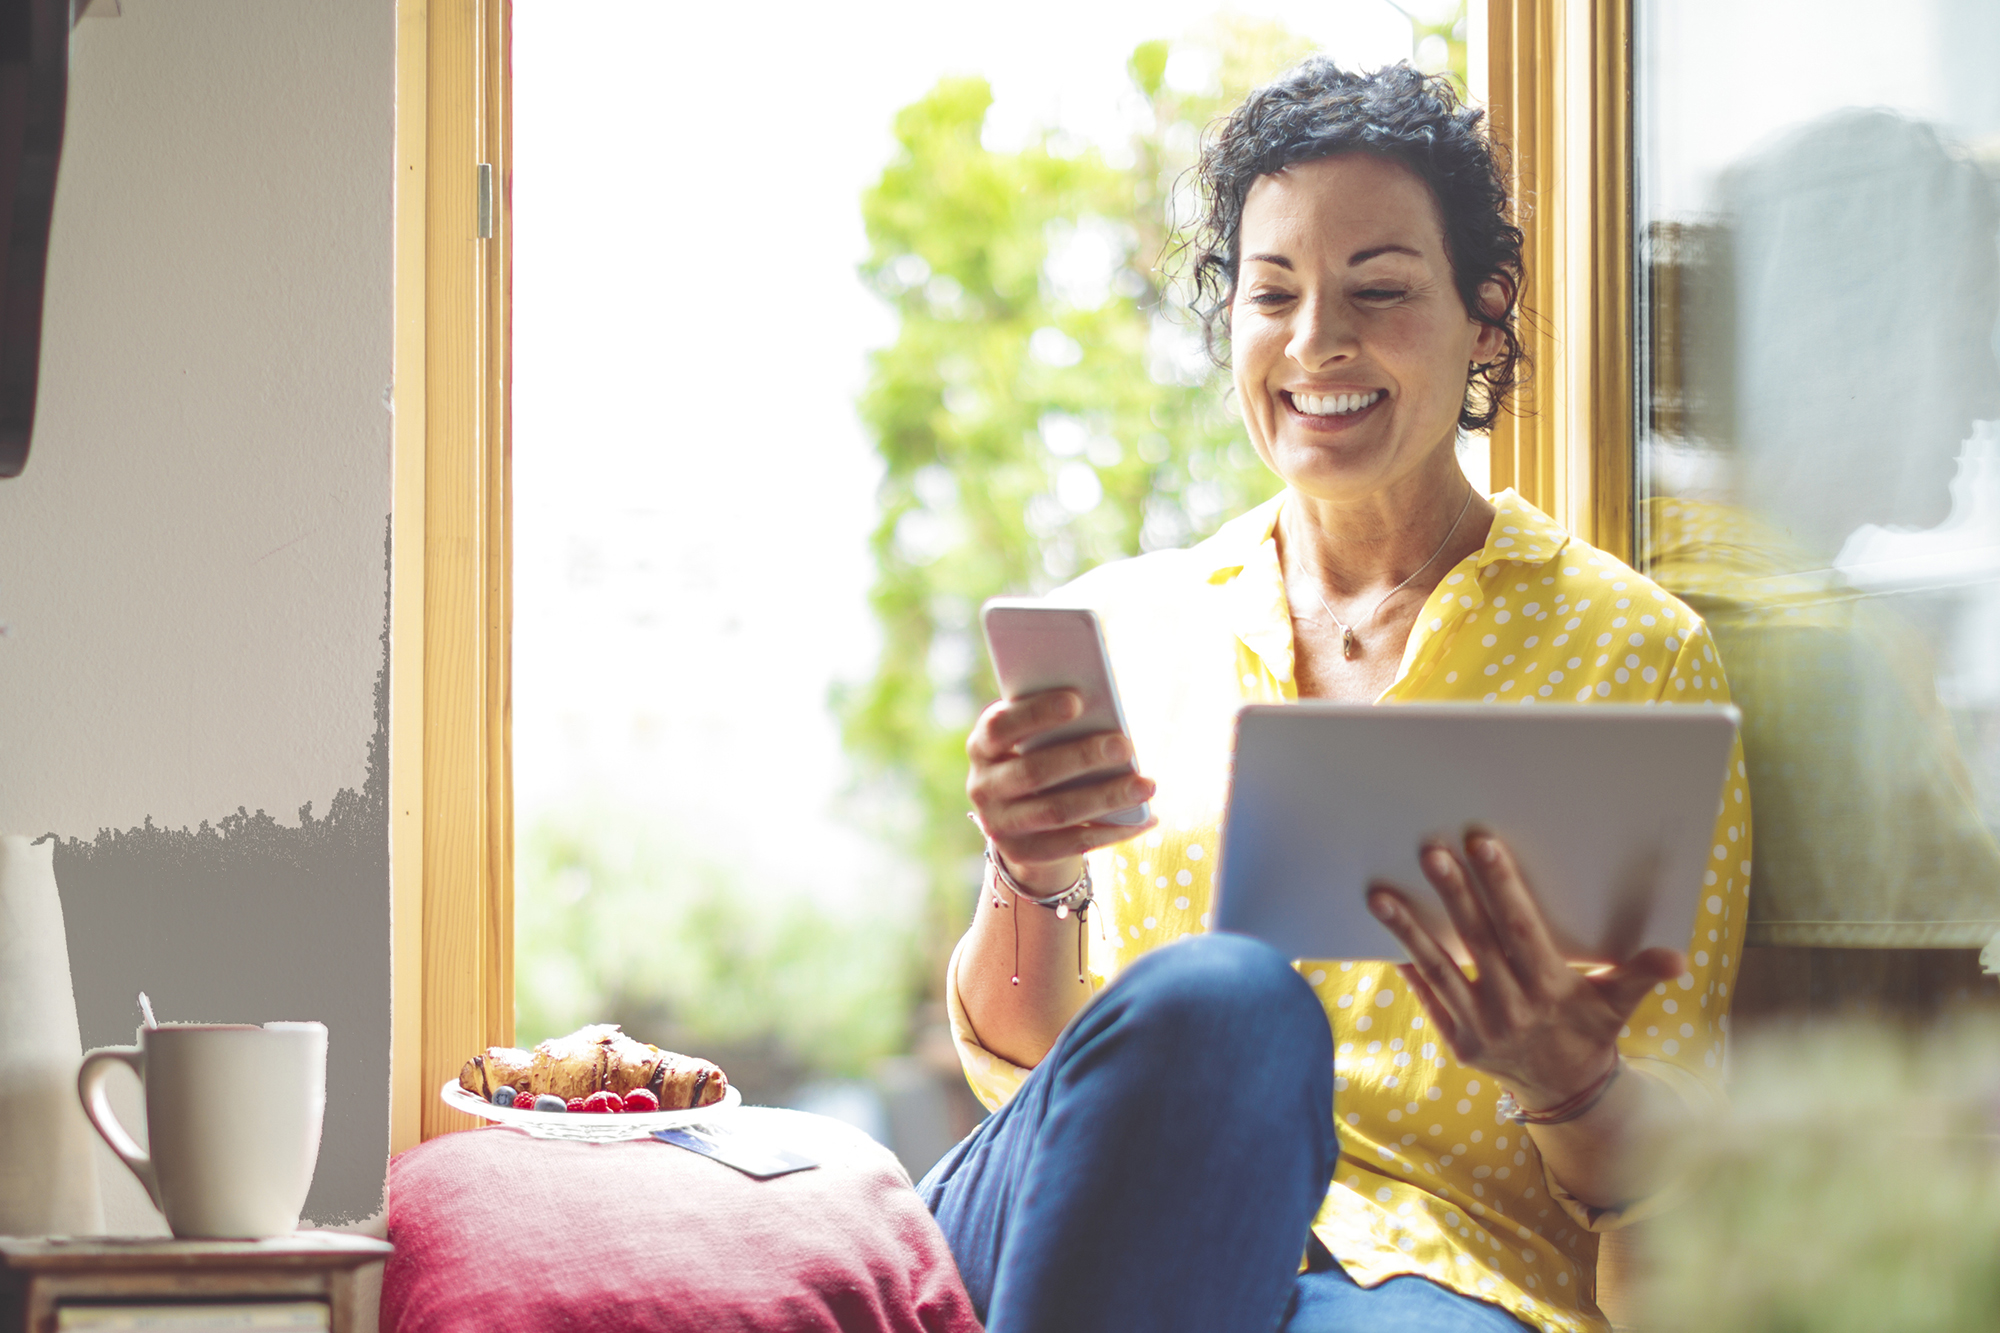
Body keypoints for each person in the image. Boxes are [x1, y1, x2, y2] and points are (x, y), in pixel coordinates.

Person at [918, 60, 1750, 1333]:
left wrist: (1566, 1079)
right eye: (1272, 294)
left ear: (1482, 317)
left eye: (1377, 289)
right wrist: (1027, 872)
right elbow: (1028, 1063)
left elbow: (1671, 1174)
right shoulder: (1127, 627)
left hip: (1426, 1279)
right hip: (1088, 1219)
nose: (1316, 342)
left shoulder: (1626, 655)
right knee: (1223, 1002)